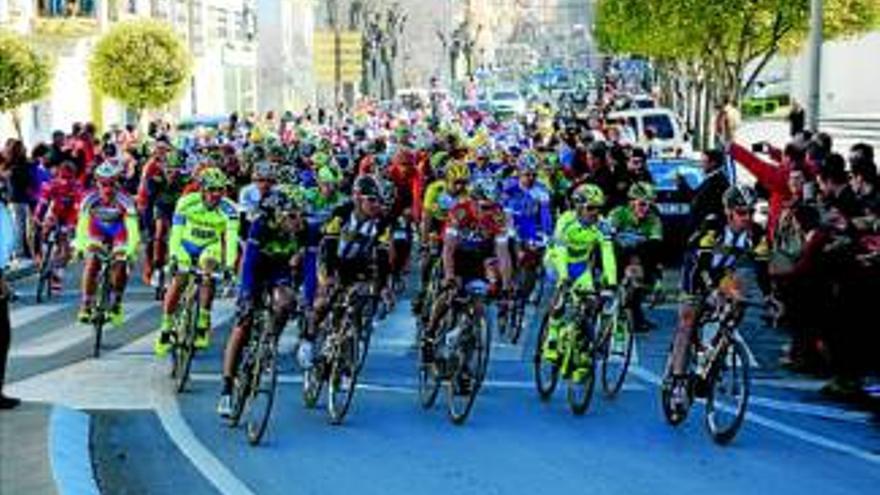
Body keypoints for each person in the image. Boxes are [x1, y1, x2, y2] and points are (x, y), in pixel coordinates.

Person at [668, 185, 762, 410]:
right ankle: (679, 383)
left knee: (738, 301)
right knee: (687, 321)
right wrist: (711, 291)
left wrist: (771, 297)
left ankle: (715, 353)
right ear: (728, 211)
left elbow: (762, 268)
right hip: (696, 272)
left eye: (751, 211)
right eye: (741, 212)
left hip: (722, 274)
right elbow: (700, 264)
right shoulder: (713, 226)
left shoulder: (755, 234)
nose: (747, 217)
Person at [217, 187, 306, 417]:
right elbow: (247, 264)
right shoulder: (262, 225)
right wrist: (246, 295)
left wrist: (304, 297)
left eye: (300, 215)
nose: (298, 221)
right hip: (256, 268)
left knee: (286, 302)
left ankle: (270, 342)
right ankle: (227, 389)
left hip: (279, 269)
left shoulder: (301, 231)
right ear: (278, 214)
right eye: (292, 216)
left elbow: (309, 267)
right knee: (243, 323)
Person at [297, 175, 389, 368]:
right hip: (331, 257)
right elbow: (330, 243)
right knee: (326, 298)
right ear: (357, 198)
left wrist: (382, 287)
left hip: (357, 262)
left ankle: (346, 359)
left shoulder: (381, 222)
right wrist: (329, 276)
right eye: (371, 200)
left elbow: (382, 257)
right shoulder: (342, 213)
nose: (376, 205)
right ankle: (308, 339)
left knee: (358, 299)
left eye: (379, 201)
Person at [154, 168, 239, 356]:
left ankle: (202, 322)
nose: (216, 194)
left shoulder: (230, 209)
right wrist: (174, 257)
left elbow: (231, 240)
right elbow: (176, 233)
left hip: (210, 246)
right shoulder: (186, 202)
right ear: (202, 189)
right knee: (180, 279)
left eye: (220, 190)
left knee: (208, 273)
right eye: (212, 189)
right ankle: (166, 326)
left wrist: (230, 266)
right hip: (185, 244)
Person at [542, 183, 618, 380]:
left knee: (589, 303)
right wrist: (564, 277)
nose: (595, 213)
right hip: (558, 261)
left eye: (598, 208)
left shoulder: (601, 225)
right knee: (561, 290)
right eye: (590, 208)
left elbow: (608, 253)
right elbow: (560, 250)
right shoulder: (565, 221)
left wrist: (611, 282)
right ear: (578, 207)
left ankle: (581, 351)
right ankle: (552, 333)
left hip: (581, 266)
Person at [73, 163, 140, 325]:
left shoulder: (126, 201)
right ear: (97, 183)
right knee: (92, 261)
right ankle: (86, 304)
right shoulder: (89, 199)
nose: (107, 188)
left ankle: (117, 303)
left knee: (120, 263)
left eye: (111, 184)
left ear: (117, 183)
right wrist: (81, 246)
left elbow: (132, 230)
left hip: (119, 231)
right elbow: (82, 227)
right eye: (103, 184)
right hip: (97, 230)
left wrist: (130, 251)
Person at [608, 181, 663, 331]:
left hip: (637, 258)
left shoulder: (653, 219)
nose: (646, 209)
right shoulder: (618, 213)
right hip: (615, 255)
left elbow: (655, 245)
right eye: (642, 204)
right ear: (631, 202)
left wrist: (657, 275)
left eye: (649, 205)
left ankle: (635, 312)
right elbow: (607, 236)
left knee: (639, 271)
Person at [678, 149, 730, 236]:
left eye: (704, 162)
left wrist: (681, 183)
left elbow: (696, 198)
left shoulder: (717, 182)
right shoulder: (711, 179)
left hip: (707, 232)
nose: (702, 165)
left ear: (713, 163)